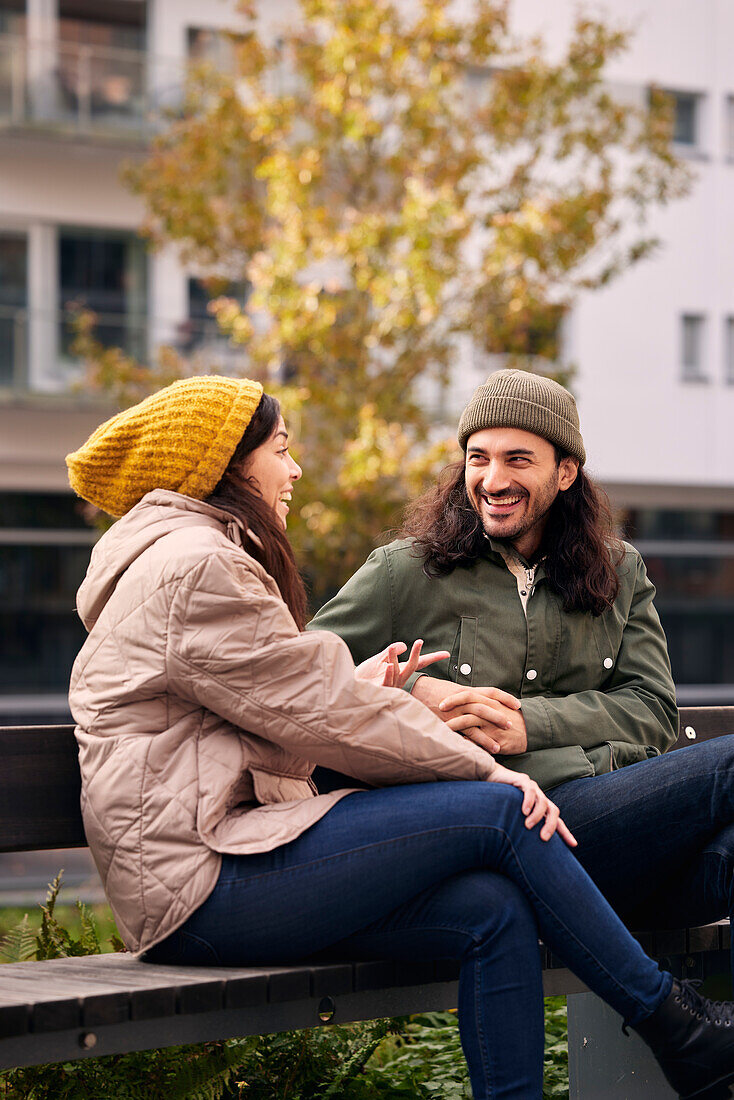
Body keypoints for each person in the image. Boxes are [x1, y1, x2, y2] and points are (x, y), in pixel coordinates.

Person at [66, 375, 734, 1100]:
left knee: (490, 911)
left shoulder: (193, 557)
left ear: (566, 473)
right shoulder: (196, 567)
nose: (293, 471)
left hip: (222, 855)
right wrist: (486, 771)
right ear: (226, 464)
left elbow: (288, 708)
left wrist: (383, 692)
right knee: (507, 814)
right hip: (198, 881)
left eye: (519, 459)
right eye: (282, 451)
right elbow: (318, 706)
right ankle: (680, 1031)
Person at [310, 368, 734, 988]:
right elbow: (296, 674)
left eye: (518, 460)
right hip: (505, 834)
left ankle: (708, 1043)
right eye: (477, 459)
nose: (493, 480)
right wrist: (407, 690)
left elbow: (652, 709)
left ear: (565, 473)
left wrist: (528, 725)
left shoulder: (619, 571)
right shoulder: (405, 571)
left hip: (614, 836)